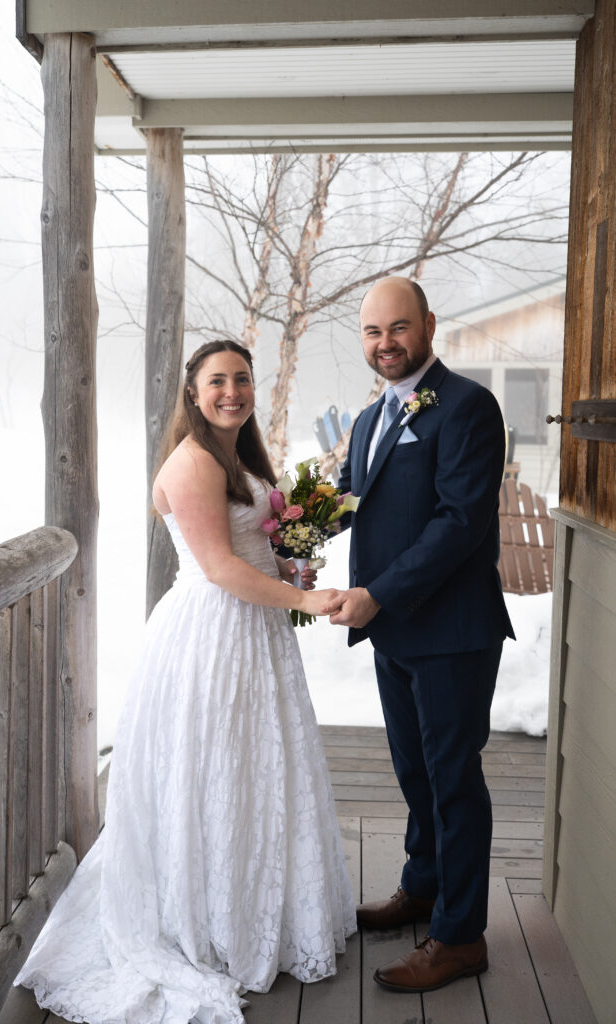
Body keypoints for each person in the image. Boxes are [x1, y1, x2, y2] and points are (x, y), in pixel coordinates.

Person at [15, 340, 356, 1024]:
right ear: (194, 395)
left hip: (253, 632)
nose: (231, 391)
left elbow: (256, 547)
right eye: (217, 382)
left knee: (256, 771)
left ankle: (256, 908)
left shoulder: (241, 456)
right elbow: (221, 568)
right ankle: (204, 922)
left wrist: (290, 571)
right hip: (213, 636)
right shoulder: (194, 461)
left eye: (241, 379)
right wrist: (305, 602)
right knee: (214, 770)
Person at [323, 277, 514, 994]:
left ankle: (461, 937)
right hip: (395, 634)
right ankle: (424, 888)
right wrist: (290, 535)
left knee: (453, 780)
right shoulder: (375, 414)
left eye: (397, 328)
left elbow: (458, 524)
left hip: (452, 633)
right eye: (373, 333)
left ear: (427, 324)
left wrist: (376, 594)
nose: (385, 344)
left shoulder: (467, 406)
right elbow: (351, 497)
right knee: (414, 774)